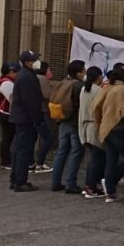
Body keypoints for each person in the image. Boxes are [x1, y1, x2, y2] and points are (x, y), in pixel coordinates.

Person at [8, 51, 44, 192]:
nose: (37, 62)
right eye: (34, 60)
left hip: (20, 117)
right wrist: (37, 119)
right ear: (28, 62)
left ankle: (16, 179)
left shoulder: (24, 75)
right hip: (26, 119)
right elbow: (31, 102)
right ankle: (20, 181)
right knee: (23, 150)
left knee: (18, 149)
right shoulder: (27, 77)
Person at [93, 67, 124, 203]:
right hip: (118, 128)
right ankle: (112, 180)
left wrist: (99, 123)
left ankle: (110, 192)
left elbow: (95, 106)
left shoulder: (106, 87)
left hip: (105, 128)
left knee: (110, 160)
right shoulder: (122, 90)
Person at [50, 60, 86, 193]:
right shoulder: (79, 86)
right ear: (79, 73)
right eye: (83, 70)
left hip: (62, 120)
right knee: (76, 153)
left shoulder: (62, 83)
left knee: (61, 152)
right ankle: (71, 183)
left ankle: (55, 181)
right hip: (74, 122)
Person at [79, 66, 106, 198]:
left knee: (93, 157)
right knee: (96, 158)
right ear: (99, 77)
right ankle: (91, 186)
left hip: (84, 126)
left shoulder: (84, 89)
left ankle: (89, 186)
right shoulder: (99, 91)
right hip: (94, 127)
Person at [0, 62, 19, 169]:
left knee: (8, 137)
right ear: (11, 72)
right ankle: (5, 161)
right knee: (8, 138)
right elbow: (13, 99)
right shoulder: (6, 84)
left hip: (7, 114)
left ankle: (7, 160)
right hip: (6, 114)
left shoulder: (9, 81)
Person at [33, 61, 54, 174]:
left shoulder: (32, 78)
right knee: (48, 137)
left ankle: (33, 162)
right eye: (49, 69)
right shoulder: (43, 79)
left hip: (33, 111)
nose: (50, 72)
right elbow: (47, 95)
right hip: (43, 111)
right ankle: (40, 162)